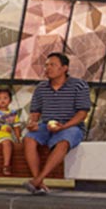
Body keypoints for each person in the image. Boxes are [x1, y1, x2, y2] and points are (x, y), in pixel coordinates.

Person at [23, 52, 91, 195]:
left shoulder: (79, 85)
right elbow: (35, 113)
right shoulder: (41, 88)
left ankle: (37, 180)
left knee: (64, 141)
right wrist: (32, 123)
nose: (48, 68)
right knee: (29, 138)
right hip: (46, 125)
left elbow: (82, 114)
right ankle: (39, 182)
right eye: (46, 65)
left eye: (52, 65)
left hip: (71, 126)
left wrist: (64, 126)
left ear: (64, 68)